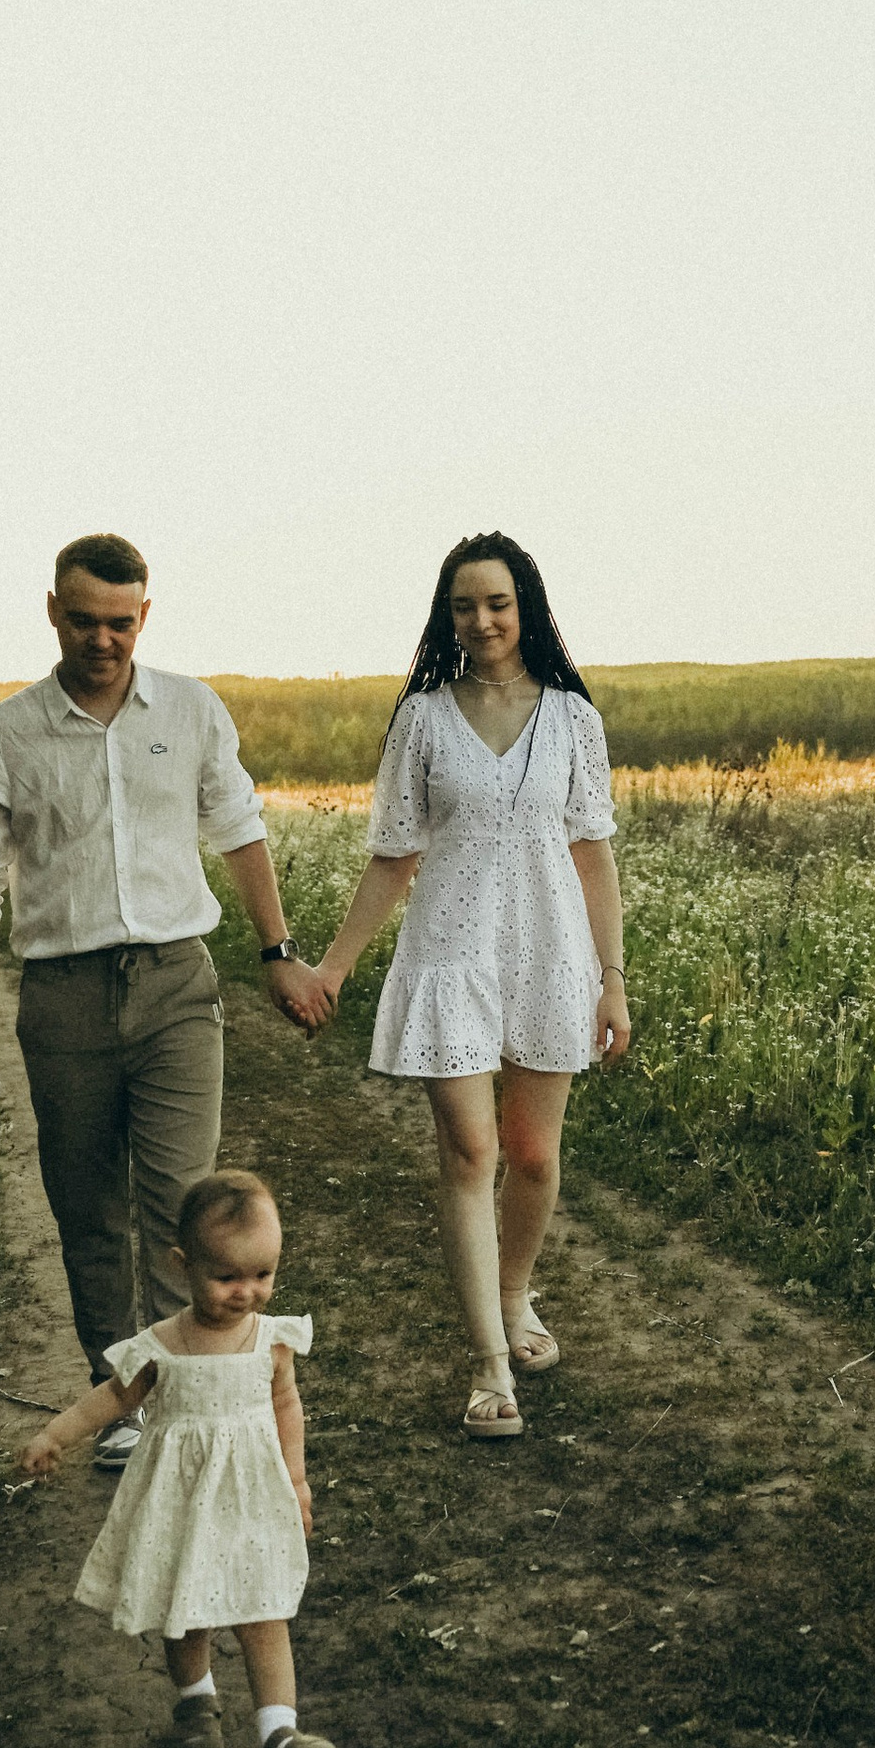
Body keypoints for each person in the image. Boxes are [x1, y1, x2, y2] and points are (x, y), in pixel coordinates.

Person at [0, 534, 329, 1462]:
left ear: (144, 617)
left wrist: (277, 950)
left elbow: (239, 830)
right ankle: (116, 1389)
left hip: (174, 989)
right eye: (84, 620)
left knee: (180, 1203)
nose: (103, 640)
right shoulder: (8, 733)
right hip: (63, 996)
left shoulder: (191, 711)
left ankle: (178, 1393)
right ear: (53, 611)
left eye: (121, 623)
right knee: (85, 1208)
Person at [304, 532, 628, 1438]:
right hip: (449, 957)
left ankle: (515, 1294)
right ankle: (488, 1363)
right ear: (445, 616)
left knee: (531, 1155)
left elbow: (592, 853)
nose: (480, 621)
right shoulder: (422, 721)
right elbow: (392, 857)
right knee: (469, 1154)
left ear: (526, 606)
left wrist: (613, 980)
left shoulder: (573, 719)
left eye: (496, 602)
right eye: (462, 606)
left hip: (550, 956)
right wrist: (335, 964)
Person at [15, 1168, 337, 1748]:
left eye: (263, 1275)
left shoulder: (272, 1343)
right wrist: (54, 1435)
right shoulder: (161, 1346)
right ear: (180, 1266)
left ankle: (279, 1732)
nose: (247, 1292)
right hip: (180, 1498)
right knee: (186, 1608)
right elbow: (108, 1399)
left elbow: (286, 1407)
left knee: (263, 1608)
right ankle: (195, 1703)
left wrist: (296, 1481)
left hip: (252, 1496)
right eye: (226, 1277)